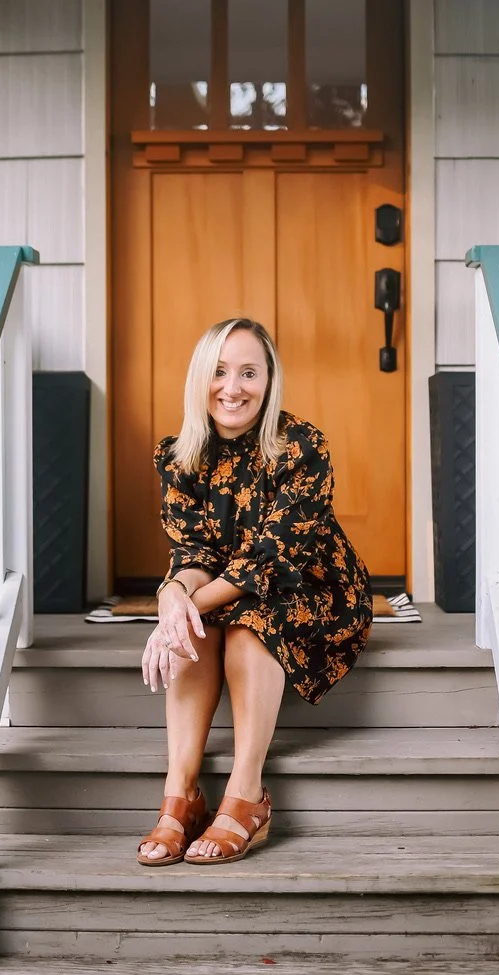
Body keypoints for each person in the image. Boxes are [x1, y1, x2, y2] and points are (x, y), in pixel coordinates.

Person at [138, 317, 372, 867]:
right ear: (201, 379)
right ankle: (182, 794)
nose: (233, 388)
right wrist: (171, 598)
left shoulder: (301, 447)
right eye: (219, 372)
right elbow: (192, 555)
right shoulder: (181, 456)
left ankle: (246, 795)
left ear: (269, 380)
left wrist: (183, 604)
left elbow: (272, 562)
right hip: (226, 589)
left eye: (249, 372)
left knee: (246, 622)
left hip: (313, 590)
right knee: (192, 625)